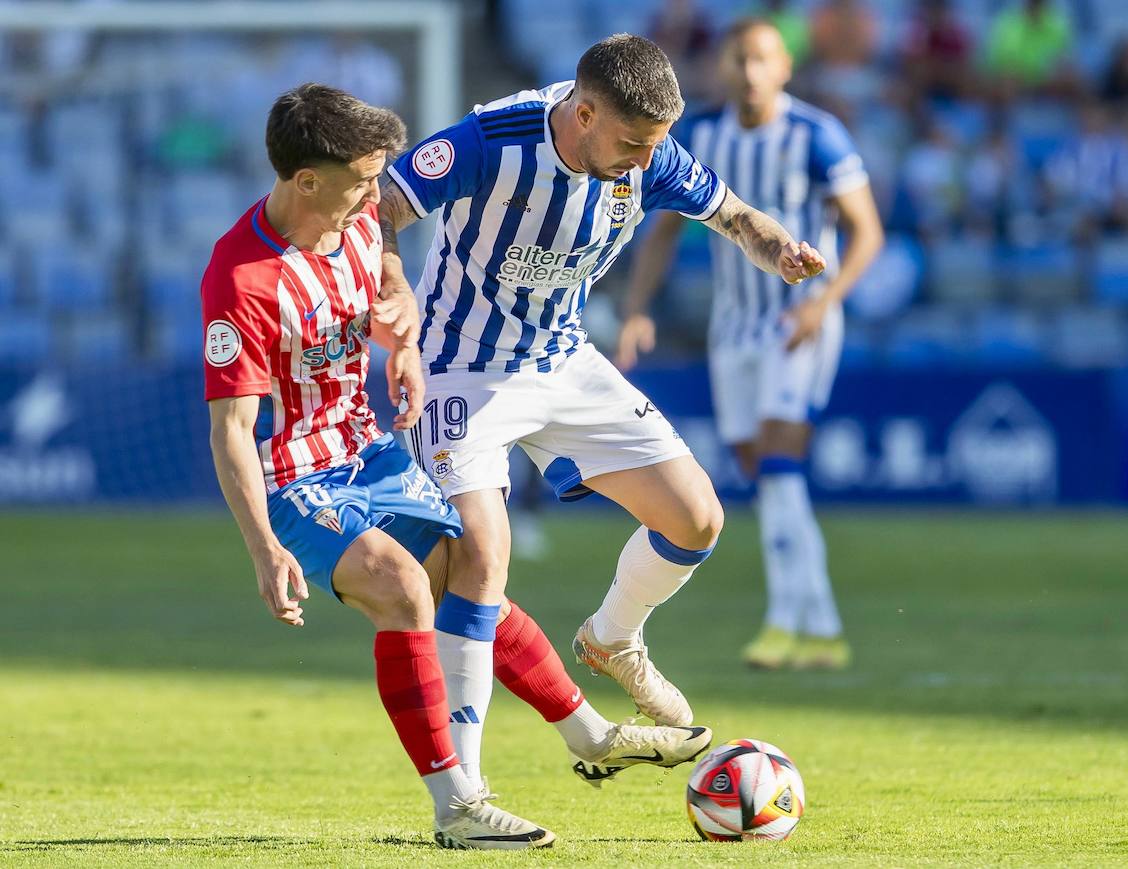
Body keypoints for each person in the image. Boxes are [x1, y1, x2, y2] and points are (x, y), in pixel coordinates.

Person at [375, 35, 828, 768]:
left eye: (657, 146)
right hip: (461, 369)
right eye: (633, 143)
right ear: (583, 114)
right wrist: (395, 287)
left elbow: (739, 216)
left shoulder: (652, 155)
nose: (647, 162)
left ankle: (612, 637)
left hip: (562, 358)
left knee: (696, 517)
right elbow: (380, 209)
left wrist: (777, 249)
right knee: (483, 559)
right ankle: (462, 792)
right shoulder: (493, 138)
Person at [202, 83, 553, 849]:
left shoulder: (360, 223)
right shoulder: (242, 278)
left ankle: (586, 732)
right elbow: (233, 429)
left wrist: (410, 351)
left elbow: (389, 301)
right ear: (307, 181)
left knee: (469, 567)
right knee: (400, 586)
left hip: (369, 450)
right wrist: (265, 548)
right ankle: (457, 803)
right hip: (296, 477)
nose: (377, 194)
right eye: (364, 178)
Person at [618, 18, 883, 670]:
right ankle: (814, 628)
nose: (750, 70)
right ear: (722, 68)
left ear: (785, 67)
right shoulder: (701, 136)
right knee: (760, 470)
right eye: (739, 58)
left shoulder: (816, 133)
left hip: (798, 320)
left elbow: (866, 231)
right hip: (732, 327)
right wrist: (636, 308)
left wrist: (824, 300)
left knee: (780, 460)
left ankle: (797, 618)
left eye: (763, 58)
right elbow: (664, 233)